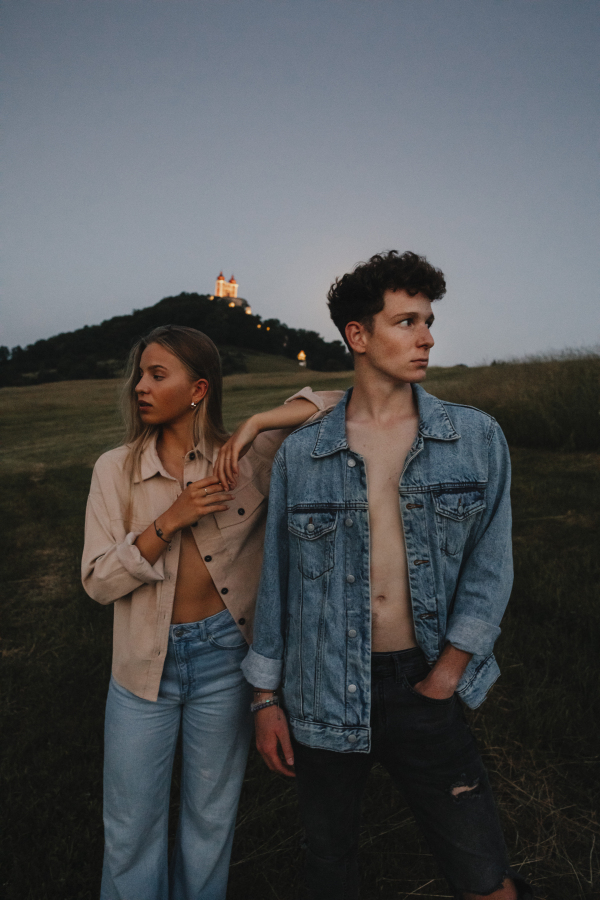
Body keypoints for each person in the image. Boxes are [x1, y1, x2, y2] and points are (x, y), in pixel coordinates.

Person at [242, 252, 534, 900]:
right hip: (319, 689)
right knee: (328, 868)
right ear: (359, 336)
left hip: (423, 681)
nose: (427, 336)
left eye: (428, 320)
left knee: (484, 875)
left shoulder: (477, 438)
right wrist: (265, 698)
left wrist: (450, 670)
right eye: (406, 321)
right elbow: (278, 583)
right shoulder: (303, 454)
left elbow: (492, 565)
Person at [81, 324, 343, 900]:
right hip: (142, 669)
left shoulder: (246, 459)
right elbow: (99, 582)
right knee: (130, 829)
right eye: (138, 375)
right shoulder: (114, 470)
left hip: (227, 662)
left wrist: (256, 424)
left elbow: (339, 403)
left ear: (198, 388)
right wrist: (167, 522)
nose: (138, 388)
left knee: (209, 822)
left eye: (156, 375)